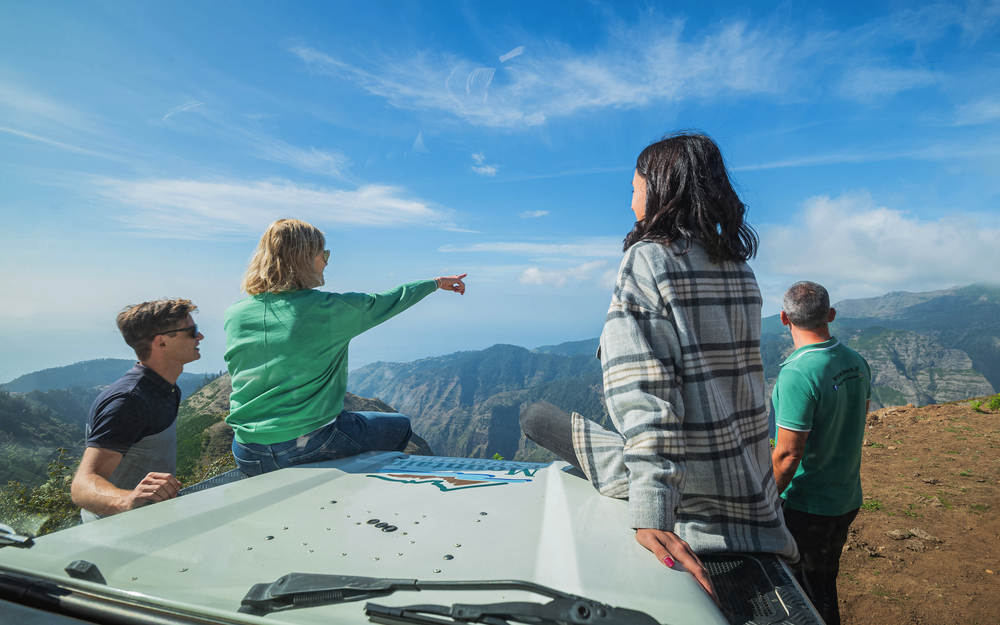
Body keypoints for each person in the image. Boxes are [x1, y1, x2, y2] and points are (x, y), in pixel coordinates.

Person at [520, 132, 797, 603]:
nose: (630, 204)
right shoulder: (739, 269)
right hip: (753, 491)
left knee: (533, 417)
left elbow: (647, 400)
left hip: (689, 494)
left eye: (633, 189)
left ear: (660, 188)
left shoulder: (647, 260)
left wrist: (652, 512)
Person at [224, 219, 466, 476]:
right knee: (400, 427)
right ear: (304, 259)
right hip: (309, 445)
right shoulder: (329, 309)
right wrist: (437, 282)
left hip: (246, 451)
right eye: (323, 254)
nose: (327, 261)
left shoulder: (235, 314)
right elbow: (391, 300)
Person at [771, 281, 870, 625]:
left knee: (808, 596)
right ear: (830, 315)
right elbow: (857, 416)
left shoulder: (798, 373)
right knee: (825, 584)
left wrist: (766, 497)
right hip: (846, 498)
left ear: (784, 318)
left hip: (808, 506)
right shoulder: (856, 361)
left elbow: (787, 455)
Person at [71, 299, 202, 522]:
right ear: (161, 343)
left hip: (144, 522)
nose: (199, 337)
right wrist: (128, 500)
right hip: (117, 529)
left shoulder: (165, 388)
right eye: (191, 331)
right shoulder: (130, 401)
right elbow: (82, 485)